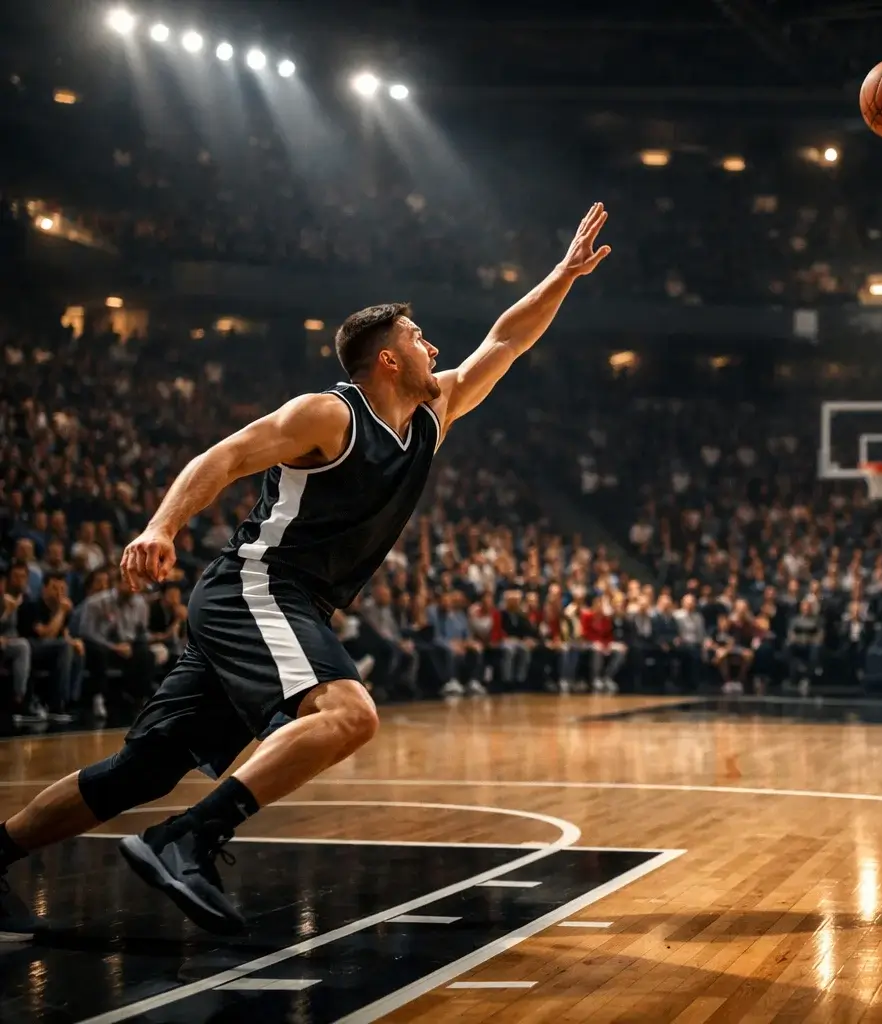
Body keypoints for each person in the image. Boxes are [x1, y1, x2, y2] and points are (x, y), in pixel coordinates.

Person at [0, 203, 611, 939]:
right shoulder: (329, 415)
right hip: (255, 585)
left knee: (143, 770)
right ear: (388, 358)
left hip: (291, 604)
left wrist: (562, 274)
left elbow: (506, 339)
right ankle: (188, 838)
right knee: (349, 715)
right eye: (419, 338)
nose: (435, 347)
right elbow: (223, 457)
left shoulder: (433, 415)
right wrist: (162, 524)